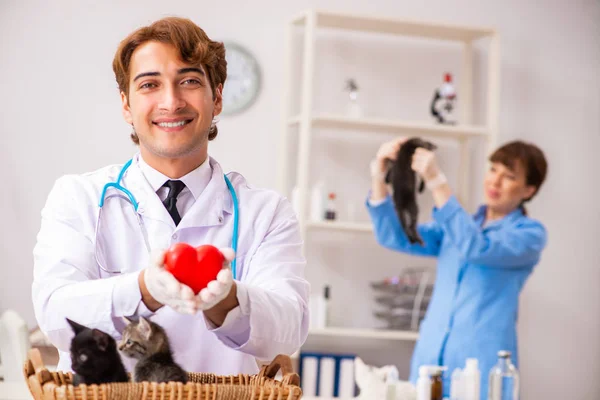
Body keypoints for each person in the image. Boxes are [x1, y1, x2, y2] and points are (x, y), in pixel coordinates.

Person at [32, 17, 309, 375]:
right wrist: (143, 289)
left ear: (218, 97)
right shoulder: (78, 198)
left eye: (190, 81)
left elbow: (289, 331)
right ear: (127, 105)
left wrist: (228, 300)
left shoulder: (266, 212)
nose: (171, 101)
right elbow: (55, 315)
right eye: (149, 84)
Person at [367, 138, 548, 398]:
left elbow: (476, 247)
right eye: (493, 170)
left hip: (483, 367)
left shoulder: (530, 235)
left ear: (528, 190)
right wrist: (379, 176)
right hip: (430, 359)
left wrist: (437, 182)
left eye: (509, 176)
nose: (495, 182)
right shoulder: (457, 225)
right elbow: (392, 236)